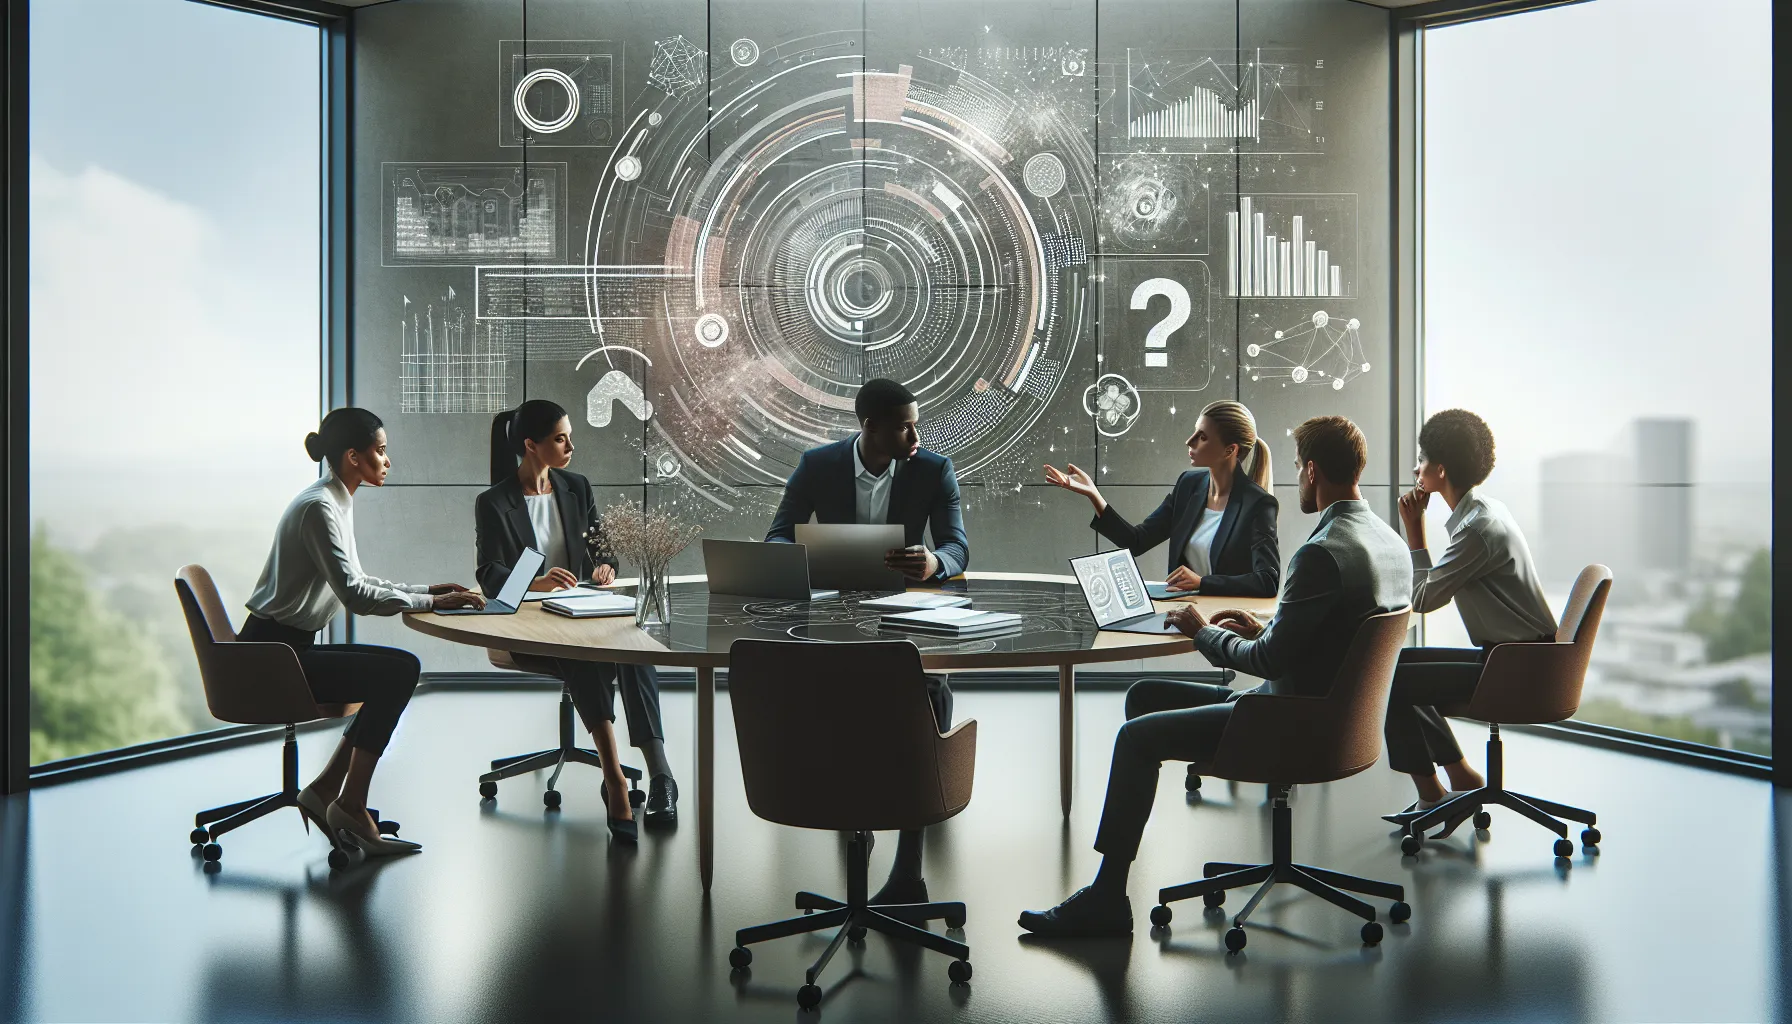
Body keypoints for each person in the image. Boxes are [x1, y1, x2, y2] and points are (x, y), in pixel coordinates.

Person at [1018, 416, 1412, 936]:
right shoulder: (1388, 541)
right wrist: (1260, 626)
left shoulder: (1320, 551)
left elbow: (1268, 662)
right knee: (1145, 695)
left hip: (1293, 721)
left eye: (1299, 468)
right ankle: (1127, 853)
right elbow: (1333, 635)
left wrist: (1204, 632)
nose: (1295, 478)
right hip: (1341, 719)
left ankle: (1108, 897)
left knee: (1136, 739)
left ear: (1313, 470)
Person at [241, 407, 487, 860]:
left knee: (397, 669)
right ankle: (349, 804)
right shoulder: (319, 507)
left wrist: (425, 590)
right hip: (271, 658)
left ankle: (327, 792)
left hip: (285, 649)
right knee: (398, 672)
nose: (388, 460)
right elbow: (354, 594)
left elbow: (358, 578)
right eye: (381, 450)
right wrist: (431, 603)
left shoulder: (333, 498)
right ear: (354, 457)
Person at [764, 377, 968, 905]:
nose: (916, 435)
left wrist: (934, 563)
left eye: (917, 423)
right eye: (905, 427)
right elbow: (778, 534)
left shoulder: (933, 469)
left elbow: (957, 545)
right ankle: (855, 820)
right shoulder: (818, 465)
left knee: (929, 694)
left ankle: (909, 869)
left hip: (908, 613)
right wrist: (807, 564)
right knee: (842, 704)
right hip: (836, 615)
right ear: (869, 427)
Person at [474, 400, 678, 842]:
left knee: (633, 645)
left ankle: (661, 775)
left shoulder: (576, 487)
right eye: (561, 438)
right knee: (586, 654)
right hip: (526, 624)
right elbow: (490, 578)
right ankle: (615, 778)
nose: (571, 446)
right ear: (531, 445)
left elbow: (603, 551)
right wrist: (539, 581)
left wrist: (606, 569)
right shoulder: (494, 502)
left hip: (582, 611)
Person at [1385, 409, 1556, 814]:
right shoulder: (1484, 513)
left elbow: (1424, 599)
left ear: (1440, 470)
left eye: (1422, 459)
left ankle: (1432, 795)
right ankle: (1460, 776)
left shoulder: (1477, 531)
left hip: (1516, 666)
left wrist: (1413, 532)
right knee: (1394, 664)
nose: (1416, 467)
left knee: (1387, 677)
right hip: (1518, 656)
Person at [1044, 399, 1279, 597]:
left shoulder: (1258, 504)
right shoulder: (1188, 485)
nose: (1190, 441)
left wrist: (1203, 582)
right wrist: (1093, 494)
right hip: (1185, 616)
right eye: (1194, 432)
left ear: (1230, 450)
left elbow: (1267, 581)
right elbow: (1136, 541)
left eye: (1202, 437)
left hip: (1229, 624)